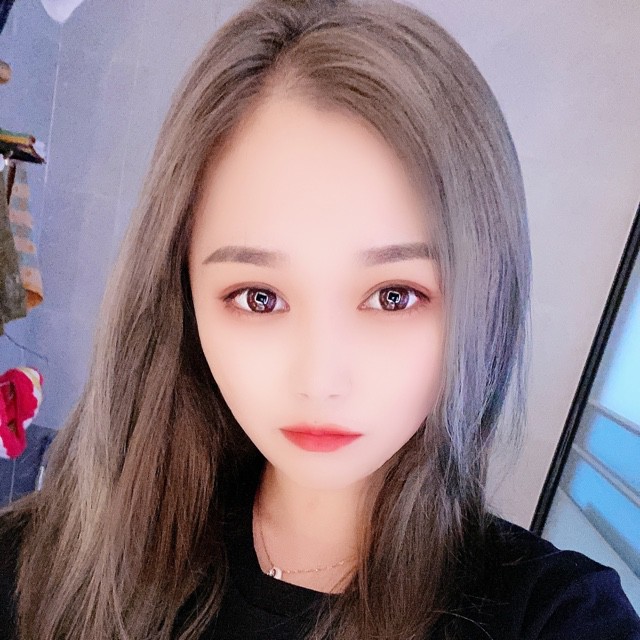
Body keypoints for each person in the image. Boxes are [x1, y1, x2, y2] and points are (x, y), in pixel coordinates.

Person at [0, 0, 638, 638]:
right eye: (259, 297)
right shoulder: (43, 567)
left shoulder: (554, 616)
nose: (320, 379)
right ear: (181, 295)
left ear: (482, 300)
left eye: (394, 296)